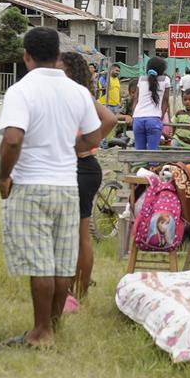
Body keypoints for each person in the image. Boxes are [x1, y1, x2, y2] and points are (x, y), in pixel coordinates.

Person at [0, 26, 102, 349]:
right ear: (58, 54)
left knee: (40, 263)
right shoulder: (78, 92)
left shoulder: (21, 90)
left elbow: (13, 139)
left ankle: (40, 332)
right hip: (67, 186)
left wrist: (4, 177)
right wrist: (67, 150)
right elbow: (95, 136)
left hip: (31, 185)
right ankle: (52, 328)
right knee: (60, 261)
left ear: (26, 56)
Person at [58, 53, 117, 305]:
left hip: (82, 166)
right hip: (81, 167)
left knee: (80, 234)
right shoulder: (74, 94)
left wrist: (84, 144)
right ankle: (73, 287)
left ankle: (79, 292)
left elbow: (111, 119)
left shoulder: (80, 95)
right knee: (73, 234)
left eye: (60, 68)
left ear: (71, 71)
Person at [131, 56, 170, 150]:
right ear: (162, 70)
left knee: (140, 152)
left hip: (138, 118)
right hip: (154, 119)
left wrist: (134, 115)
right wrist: (161, 117)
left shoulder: (141, 79)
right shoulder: (166, 80)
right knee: (153, 153)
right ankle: (153, 164)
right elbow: (165, 101)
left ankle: (139, 165)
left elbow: (136, 99)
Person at [99, 64, 121, 149]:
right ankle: (102, 145)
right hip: (105, 104)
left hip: (115, 105)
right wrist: (105, 76)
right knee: (104, 125)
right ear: (111, 70)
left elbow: (118, 91)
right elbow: (104, 87)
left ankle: (107, 143)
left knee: (111, 126)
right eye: (116, 70)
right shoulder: (103, 78)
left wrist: (120, 102)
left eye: (118, 71)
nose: (117, 72)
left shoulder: (117, 80)